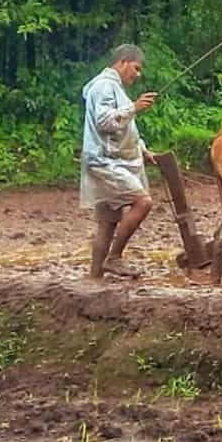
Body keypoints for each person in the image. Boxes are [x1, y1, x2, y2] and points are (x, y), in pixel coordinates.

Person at [80, 44, 158, 279]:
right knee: (143, 202)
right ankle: (114, 258)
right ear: (122, 62)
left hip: (106, 160)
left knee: (108, 222)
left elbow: (125, 130)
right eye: (136, 68)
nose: (137, 74)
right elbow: (104, 121)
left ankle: (94, 278)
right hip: (105, 162)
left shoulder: (114, 88)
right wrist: (133, 107)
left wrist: (143, 150)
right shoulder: (105, 87)